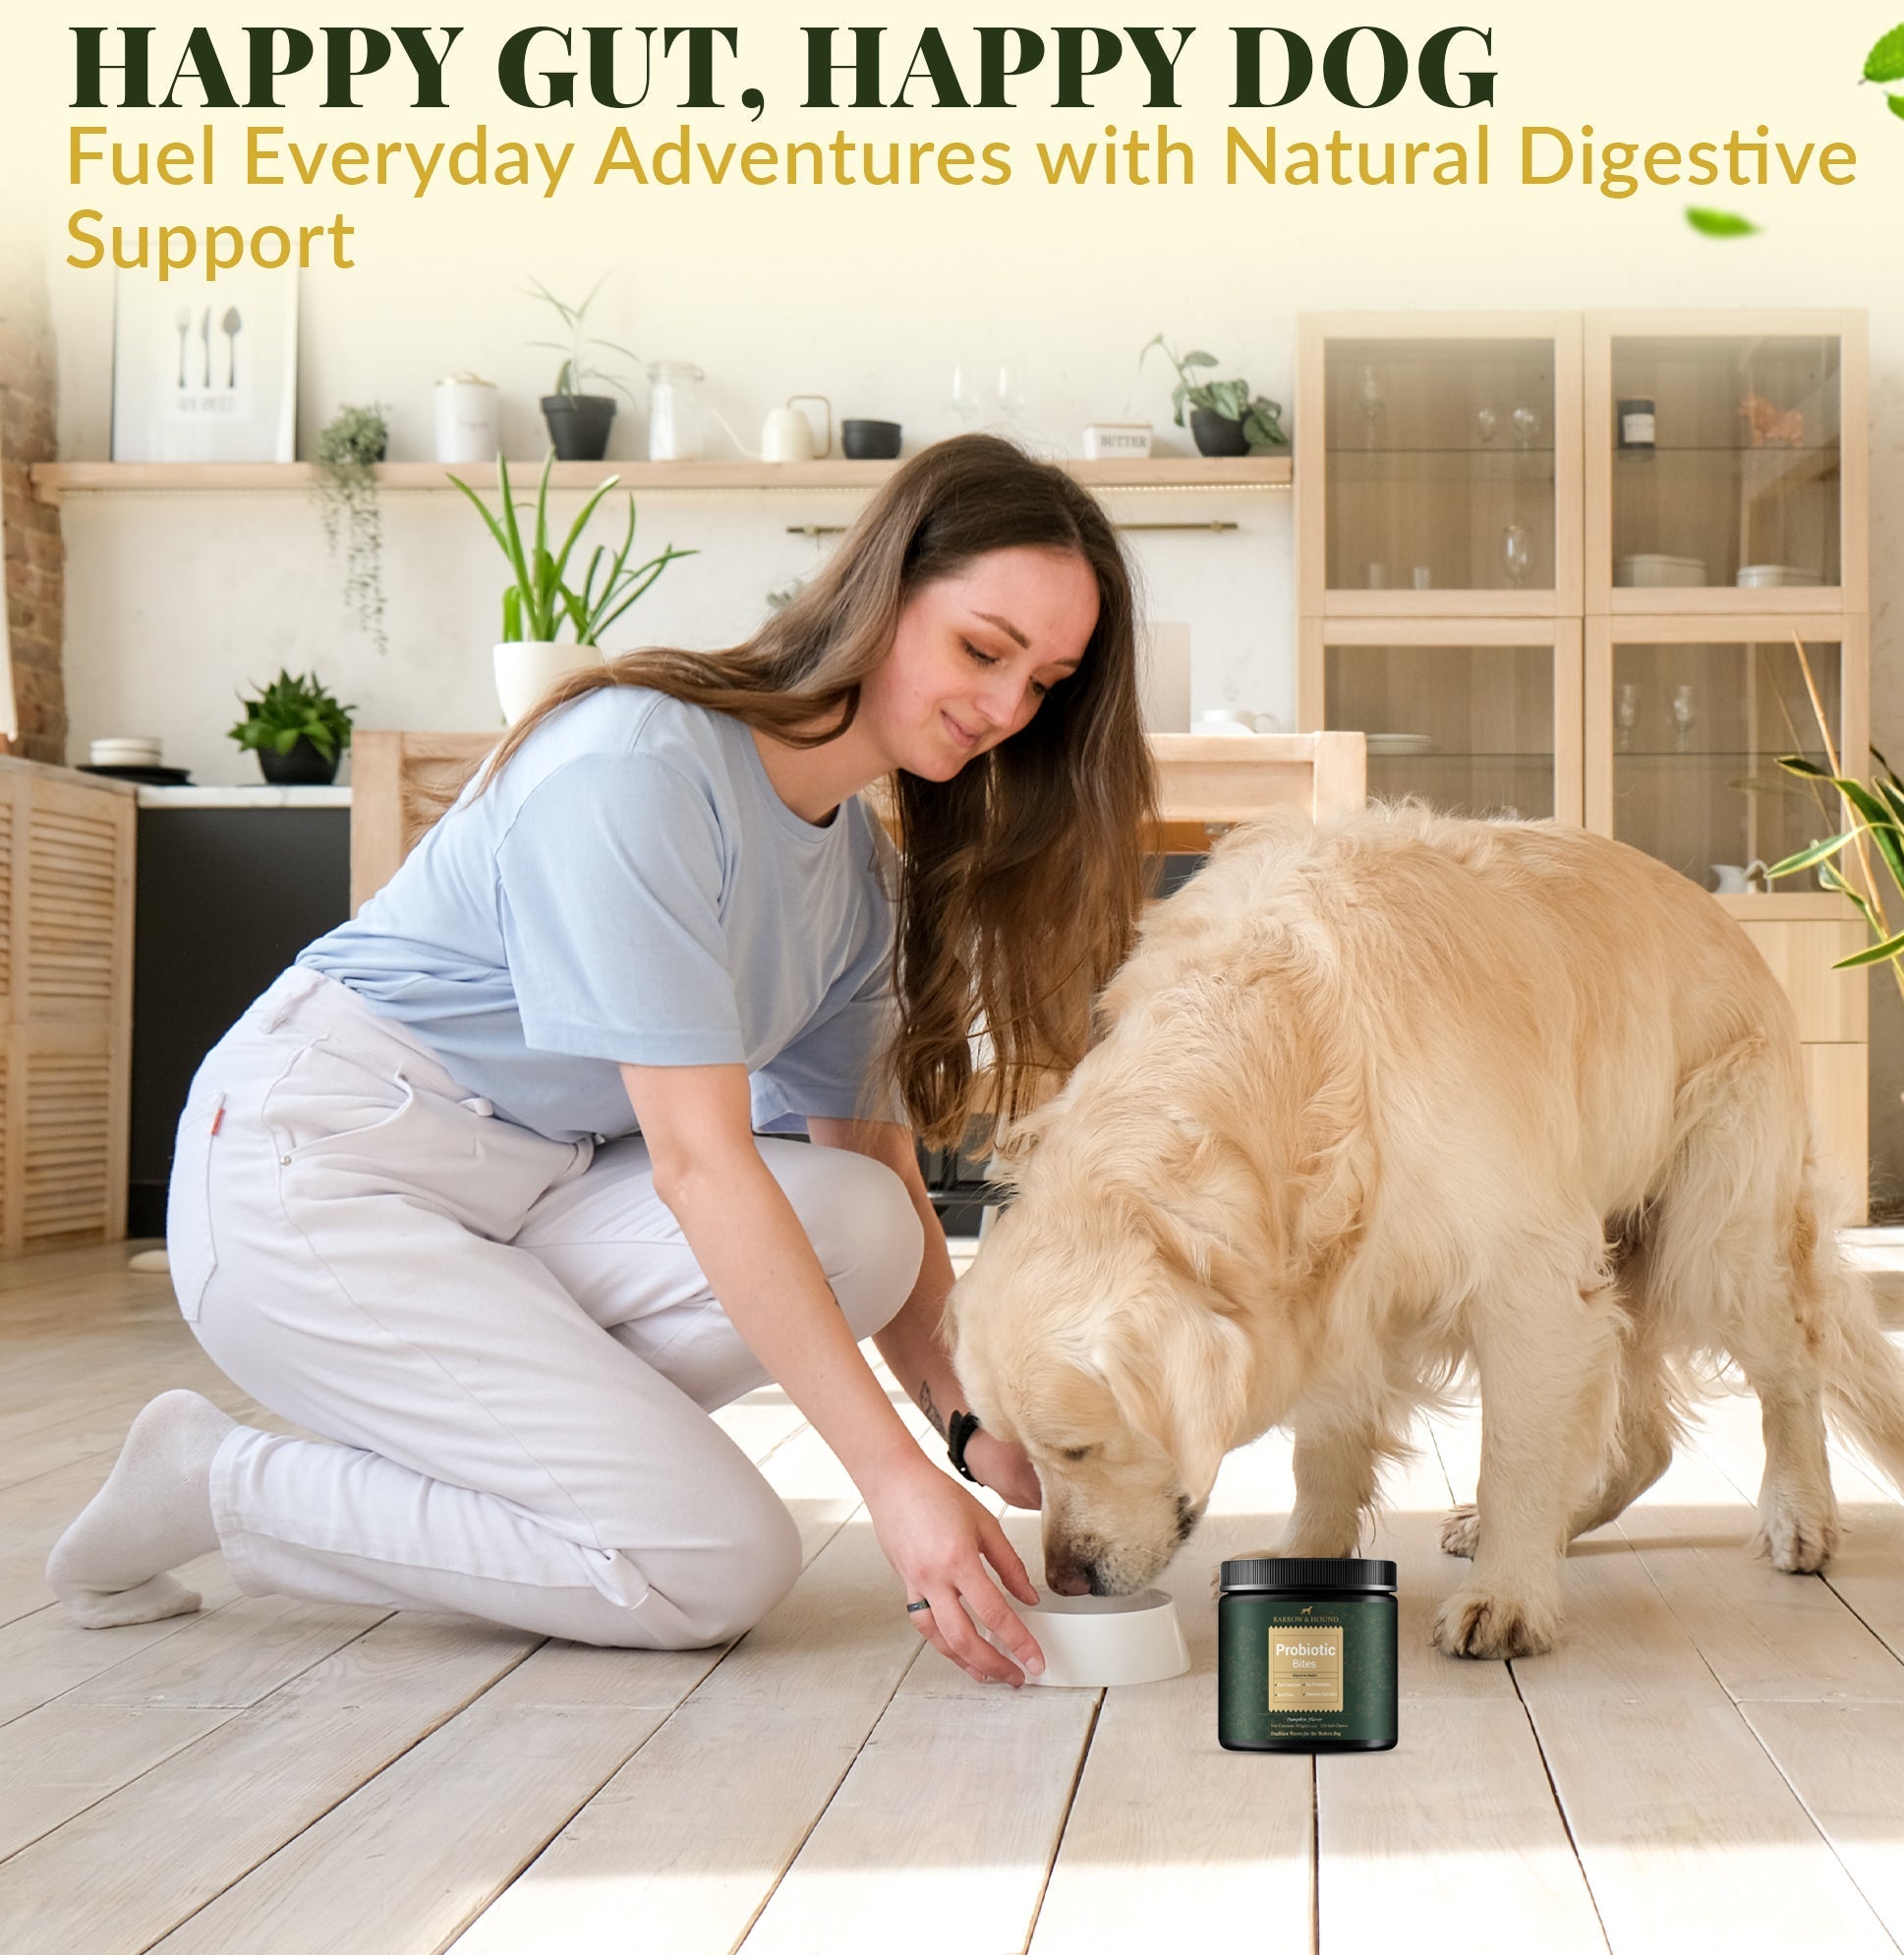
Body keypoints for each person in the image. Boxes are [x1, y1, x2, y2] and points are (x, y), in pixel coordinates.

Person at [47, 434, 1157, 1689]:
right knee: (713, 1562)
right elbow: (698, 1163)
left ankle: (514, 1451)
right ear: (880, 593)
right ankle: (216, 1477)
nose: (1010, 709)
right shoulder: (637, 767)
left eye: (1047, 682)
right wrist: (893, 1486)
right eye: (982, 648)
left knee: (861, 1218)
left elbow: (875, 1175)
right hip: (313, 1174)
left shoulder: (855, 878)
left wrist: (966, 1425)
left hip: (526, 1193)